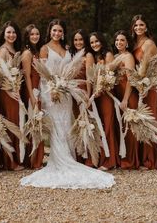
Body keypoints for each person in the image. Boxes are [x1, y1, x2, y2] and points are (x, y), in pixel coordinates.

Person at [20, 19, 115, 189]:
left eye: (60, 31)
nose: (57, 33)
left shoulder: (67, 49)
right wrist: (50, 91)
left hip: (66, 94)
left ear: (63, 32)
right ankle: (59, 159)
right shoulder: (44, 48)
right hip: (52, 94)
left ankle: (70, 156)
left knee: (67, 125)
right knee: (56, 126)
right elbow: (43, 75)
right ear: (50, 31)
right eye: (54, 30)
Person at [131, 15, 157, 170]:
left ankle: (152, 159)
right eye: (136, 25)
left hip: (148, 87)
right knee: (139, 120)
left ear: (146, 27)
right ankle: (140, 157)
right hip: (137, 86)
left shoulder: (149, 43)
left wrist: (146, 85)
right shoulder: (134, 43)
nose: (138, 27)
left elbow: (153, 69)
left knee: (149, 119)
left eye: (141, 25)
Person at [87, 32, 120, 170]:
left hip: (106, 94)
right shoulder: (94, 57)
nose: (94, 44)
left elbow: (109, 77)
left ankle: (110, 160)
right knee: (99, 126)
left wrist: (98, 90)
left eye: (96, 41)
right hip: (96, 95)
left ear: (102, 41)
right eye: (92, 43)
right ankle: (101, 157)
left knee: (107, 125)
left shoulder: (108, 55)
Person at [0, 21, 24, 171]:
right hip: (7, 93)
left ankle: (17, 158)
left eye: (13, 32)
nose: (11, 35)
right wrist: (9, 92)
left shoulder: (15, 49)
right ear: (4, 34)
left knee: (16, 123)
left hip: (15, 90)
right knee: (10, 124)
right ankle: (9, 162)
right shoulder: (3, 50)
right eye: (8, 32)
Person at [113, 30, 139, 169]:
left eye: (122, 40)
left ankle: (130, 160)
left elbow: (131, 80)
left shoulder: (128, 57)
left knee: (129, 127)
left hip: (127, 95)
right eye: (117, 40)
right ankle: (121, 156)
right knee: (121, 126)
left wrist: (125, 99)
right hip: (117, 94)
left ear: (127, 42)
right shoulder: (116, 56)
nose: (119, 43)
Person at [21, 24, 44, 169]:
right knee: (33, 124)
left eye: (37, 34)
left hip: (38, 90)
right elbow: (27, 77)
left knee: (38, 124)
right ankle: (33, 160)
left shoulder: (36, 51)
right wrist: (32, 96)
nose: (35, 36)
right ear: (27, 37)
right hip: (31, 92)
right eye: (32, 35)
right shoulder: (27, 54)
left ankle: (38, 159)